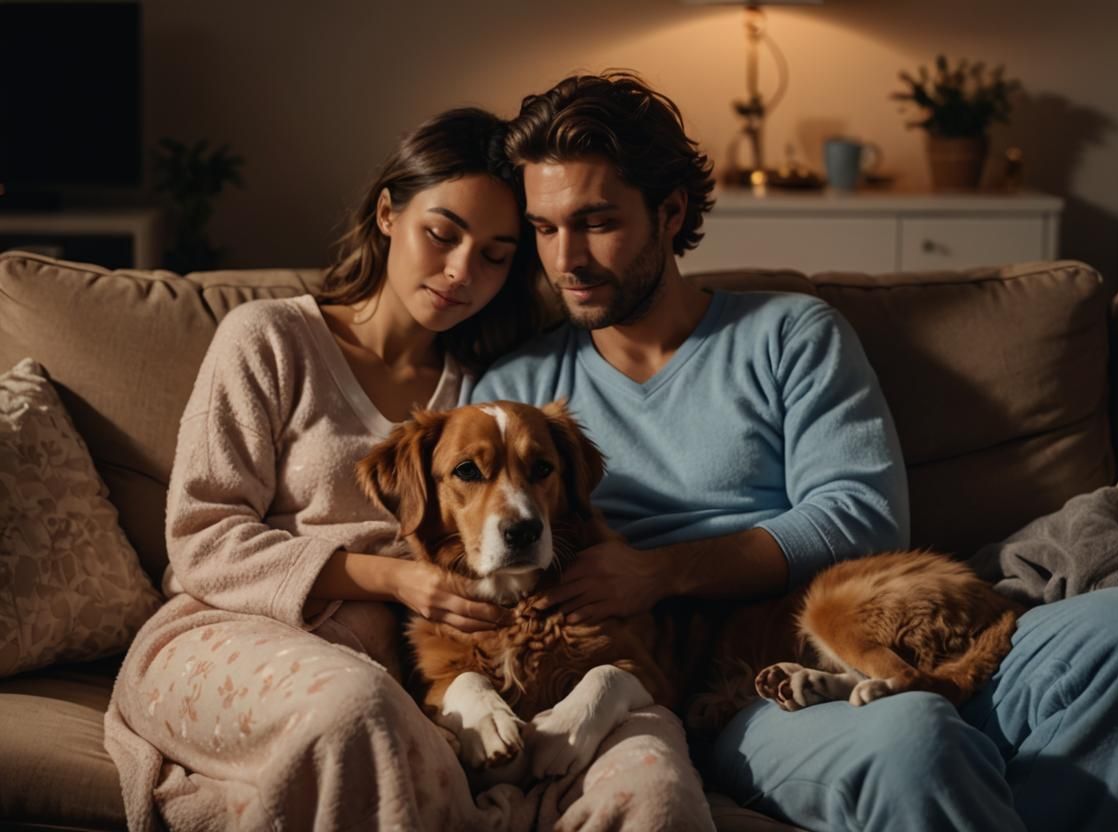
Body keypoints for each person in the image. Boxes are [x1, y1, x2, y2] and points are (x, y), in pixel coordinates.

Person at [470, 71, 1118, 832]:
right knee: (914, 743)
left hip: (866, 624)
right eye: (545, 228)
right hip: (742, 688)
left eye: (595, 222)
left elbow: (863, 518)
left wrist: (660, 570)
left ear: (671, 212)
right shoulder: (517, 390)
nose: (567, 258)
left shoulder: (790, 334)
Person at [104, 107, 709, 832]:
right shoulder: (269, 338)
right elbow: (202, 538)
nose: (461, 272)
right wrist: (391, 576)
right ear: (388, 213)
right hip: (237, 630)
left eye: (495, 254)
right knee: (355, 711)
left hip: (411, 669)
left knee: (649, 784)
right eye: (441, 234)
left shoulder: (485, 387)